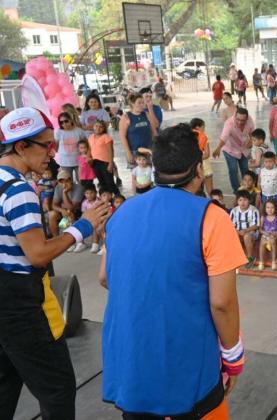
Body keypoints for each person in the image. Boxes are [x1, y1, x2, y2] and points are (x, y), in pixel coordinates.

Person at [0, 107, 107, 419]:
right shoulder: (19, 190)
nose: (51, 155)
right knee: (58, 390)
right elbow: (37, 254)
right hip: (21, 310)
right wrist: (84, 226)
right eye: (46, 146)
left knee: (6, 378)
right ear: (21, 146)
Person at [100, 124, 242, 418]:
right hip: (189, 364)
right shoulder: (212, 217)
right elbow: (222, 303)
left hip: (132, 361)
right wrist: (233, 357)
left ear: (155, 169)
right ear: (199, 171)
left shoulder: (123, 211)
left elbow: (105, 278)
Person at [214, 108, 256, 194]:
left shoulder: (250, 120)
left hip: (244, 148)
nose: (240, 122)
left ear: (247, 118)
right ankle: (237, 191)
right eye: (238, 119)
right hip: (230, 149)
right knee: (233, 170)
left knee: (245, 169)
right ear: (235, 116)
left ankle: (247, 188)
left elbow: (252, 132)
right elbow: (224, 137)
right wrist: (218, 148)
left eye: (243, 120)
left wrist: (251, 141)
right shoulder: (229, 123)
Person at [118, 93, 158, 167]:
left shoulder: (146, 114)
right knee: (137, 176)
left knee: (150, 175)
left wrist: (150, 109)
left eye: (143, 102)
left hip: (148, 150)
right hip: (134, 152)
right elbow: (122, 136)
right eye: (139, 103)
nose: (142, 105)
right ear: (132, 104)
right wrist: (128, 152)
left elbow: (155, 127)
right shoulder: (126, 117)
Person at [48, 169, 87, 244]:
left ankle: (78, 242)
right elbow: (54, 205)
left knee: (70, 214)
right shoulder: (58, 187)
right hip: (64, 211)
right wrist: (62, 210)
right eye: (61, 181)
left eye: (66, 180)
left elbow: (71, 208)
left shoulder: (79, 188)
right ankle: (57, 241)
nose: (64, 183)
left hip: (77, 211)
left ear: (70, 180)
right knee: (52, 215)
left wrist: (65, 193)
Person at [54, 112, 84, 181]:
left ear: (71, 120)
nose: (64, 124)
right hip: (65, 162)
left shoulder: (79, 131)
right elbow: (56, 147)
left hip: (79, 161)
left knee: (81, 182)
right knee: (67, 182)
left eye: (66, 121)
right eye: (61, 122)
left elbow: (85, 144)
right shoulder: (59, 132)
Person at [258, 199, 277, 270]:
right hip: (266, 234)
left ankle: (274, 260)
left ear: (275, 208)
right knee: (262, 241)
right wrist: (265, 233)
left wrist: (275, 233)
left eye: (272, 208)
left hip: (276, 235)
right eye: (268, 207)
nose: (270, 210)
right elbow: (260, 229)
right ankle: (261, 261)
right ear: (265, 208)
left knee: (272, 240)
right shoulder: (263, 217)